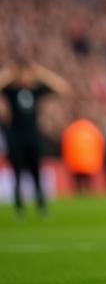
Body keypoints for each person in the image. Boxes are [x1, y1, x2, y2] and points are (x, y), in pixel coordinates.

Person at [0, 58, 70, 218]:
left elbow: (62, 88)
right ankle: (19, 207)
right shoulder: (11, 91)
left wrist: (41, 73)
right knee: (17, 174)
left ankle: (41, 206)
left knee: (36, 173)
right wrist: (10, 74)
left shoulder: (35, 91)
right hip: (16, 138)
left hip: (32, 137)